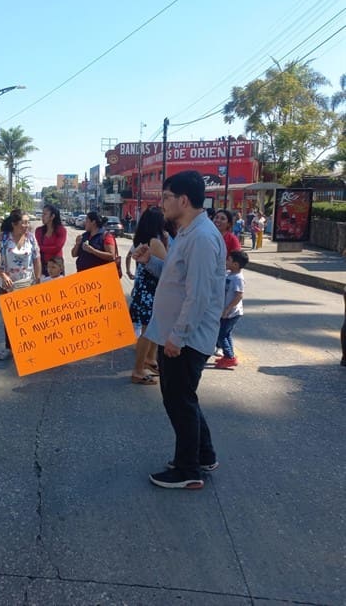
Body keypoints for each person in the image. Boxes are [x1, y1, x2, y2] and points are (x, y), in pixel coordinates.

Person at [133, 170, 225, 489]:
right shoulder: (188, 232)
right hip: (176, 334)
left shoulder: (200, 238)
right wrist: (148, 263)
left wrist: (178, 337)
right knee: (185, 398)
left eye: (167, 197)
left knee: (178, 401)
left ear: (183, 200)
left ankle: (187, 471)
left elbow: (197, 295)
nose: (163, 204)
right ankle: (203, 454)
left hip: (184, 339)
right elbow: (175, 280)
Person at [0, 209, 42, 360]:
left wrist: (37, 280)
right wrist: (3, 275)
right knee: (10, 317)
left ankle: (27, 347)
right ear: (14, 224)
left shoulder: (31, 238)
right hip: (7, 285)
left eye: (27, 222)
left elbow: (37, 260)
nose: (26, 225)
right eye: (23, 223)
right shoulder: (2, 239)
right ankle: (9, 348)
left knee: (27, 317)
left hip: (27, 283)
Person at [127, 207, 167, 385]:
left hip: (142, 291)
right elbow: (169, 267)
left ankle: (150, 360)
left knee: (151, 329)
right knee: (148, 331)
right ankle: (138, 370)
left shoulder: (140, 239)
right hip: (150, 292)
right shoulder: (155, 241)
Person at [215, 250, 248, 369]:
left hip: (231, 313)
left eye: (228, 260)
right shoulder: (230, 274)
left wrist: (228, 309)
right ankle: (229, 356)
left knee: (220, 335)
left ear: (236, 264)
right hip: (226, 312)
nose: (226, 261)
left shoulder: (238, 278)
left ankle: (229, 357)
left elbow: (239, 295)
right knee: (226, 334)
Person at [35, 204, 67, 277]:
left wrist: (40, 248)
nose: (42, 216)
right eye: (42, 214)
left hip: (56, 266)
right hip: (42, 265)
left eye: (45, 214)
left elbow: (57, 248)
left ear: (52, 216)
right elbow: (37, 249)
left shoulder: (61, 230)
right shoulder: (39, 230)